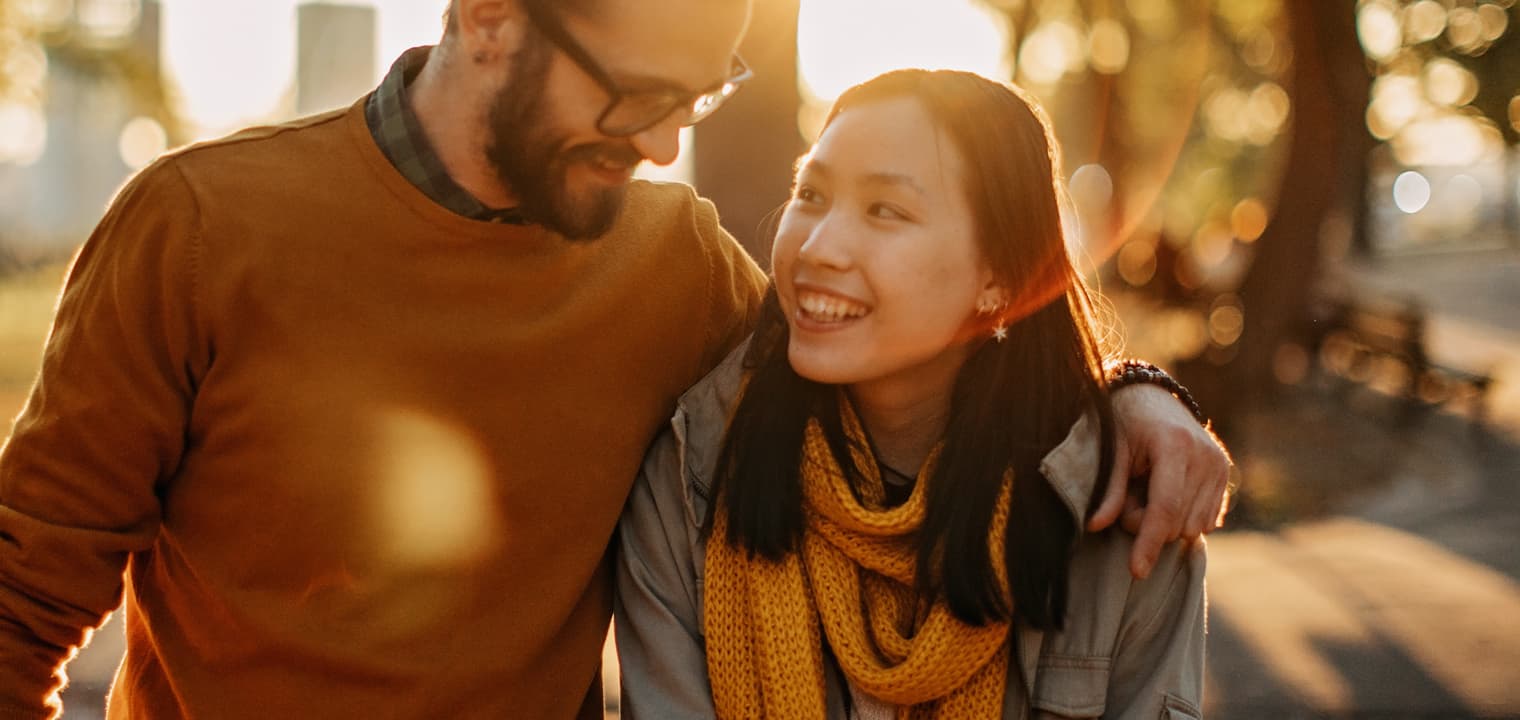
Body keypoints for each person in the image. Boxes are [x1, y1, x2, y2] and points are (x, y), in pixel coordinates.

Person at [0, 1, 1225, 718]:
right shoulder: (200, 225)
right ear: (490, 23)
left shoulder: (673, 259)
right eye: (635, 99)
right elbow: (20, 600)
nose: (656, 149)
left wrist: (1133, 392)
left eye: (692, 103)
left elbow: (887, 355)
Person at [614, 69, 1207, 719]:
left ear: (1001, 278)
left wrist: (1138, 391)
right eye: (810, 192)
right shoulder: (691, 472)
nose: (818, 246)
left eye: (885, 211)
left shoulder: (1122, 513)